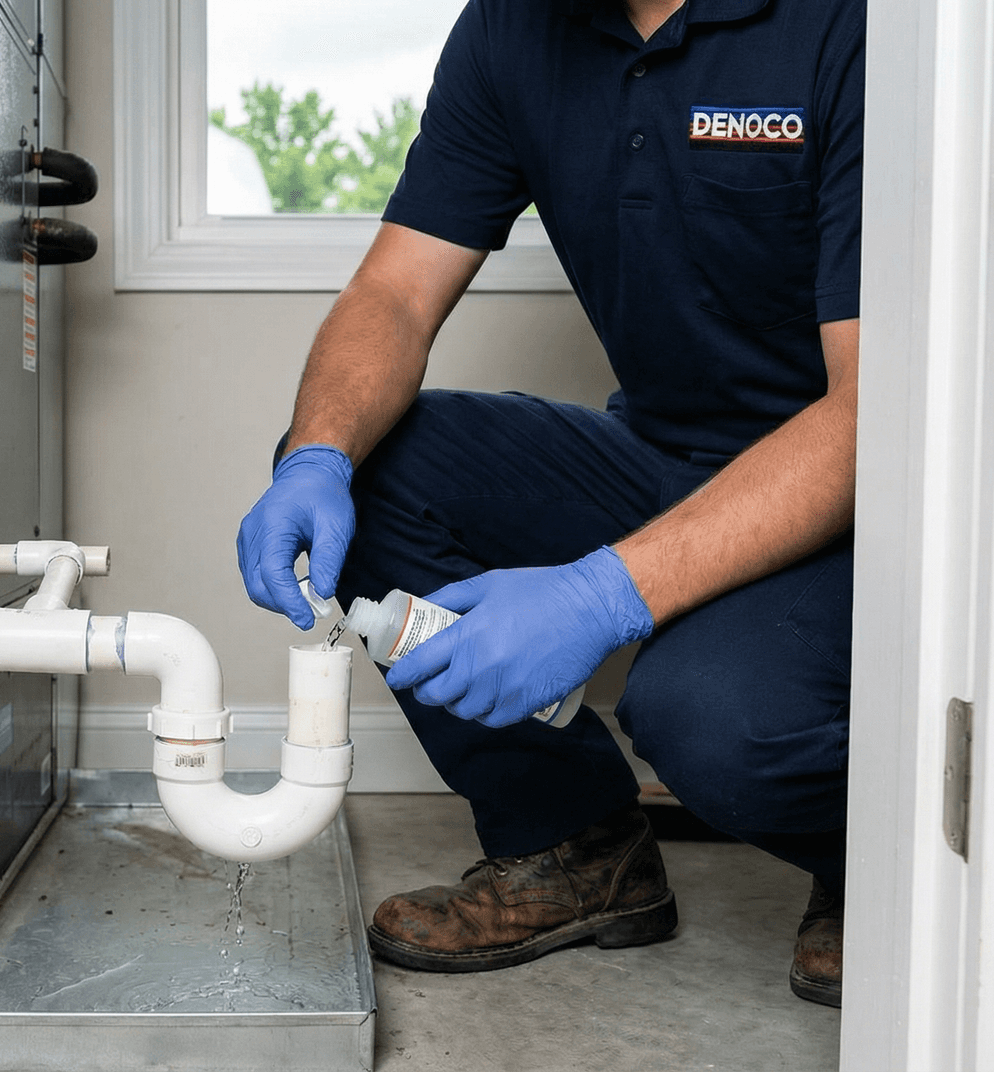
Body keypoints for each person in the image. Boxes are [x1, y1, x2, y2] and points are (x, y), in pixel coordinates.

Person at [235, 0, 862, 1007]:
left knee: (710, 723)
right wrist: (315, 456)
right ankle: (573, 846)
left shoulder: (846, 26)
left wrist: (600, 595)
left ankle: (874, 862)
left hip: (850, 495)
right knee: (365, 464)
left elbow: (873, 411)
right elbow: (396, 292)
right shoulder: (512, 27)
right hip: (659, 455)